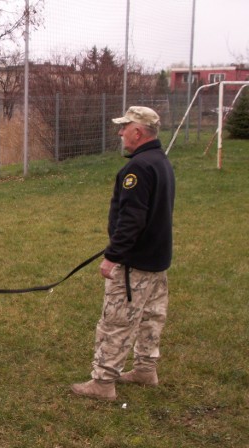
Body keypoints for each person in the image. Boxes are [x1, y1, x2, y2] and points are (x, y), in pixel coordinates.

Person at [71, 106, 175, 401]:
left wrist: (113, 256)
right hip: (157, 260)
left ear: (138, 132)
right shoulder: (161, 161)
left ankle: (103, 383)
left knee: (116, 322)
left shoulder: (138, 168)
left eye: (124, 128)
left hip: (136, 263)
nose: (120, 133)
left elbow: (132, 219)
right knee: (151, 317)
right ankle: (145, 370)